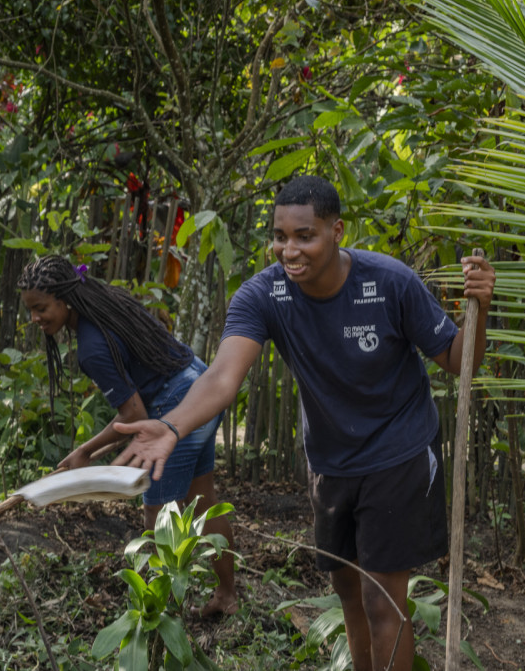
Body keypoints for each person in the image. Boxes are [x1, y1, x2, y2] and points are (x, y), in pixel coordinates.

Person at [112, 175, 495, 671]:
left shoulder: (390, 282)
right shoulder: (264, 295)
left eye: (304, 236)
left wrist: (480, 309)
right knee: (350, 594)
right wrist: (171, 426)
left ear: (337, 231)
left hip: (398, 454)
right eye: (280, 236)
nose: (289, 249)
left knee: (384, 601)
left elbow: (457, 357)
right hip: (331, 463)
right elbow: (222, 378)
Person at [16, 255, 237, 618]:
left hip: (178, 401)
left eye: (40, 308)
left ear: (65, 298)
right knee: (203, 499)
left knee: (159, 514)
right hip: (201, 382)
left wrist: (85, 451)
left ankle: (157, 619)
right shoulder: (107, 302)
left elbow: (134, 415)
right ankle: (226, 598)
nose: (35, 319)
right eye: (31, 310)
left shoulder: (91, 347)